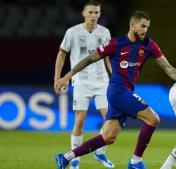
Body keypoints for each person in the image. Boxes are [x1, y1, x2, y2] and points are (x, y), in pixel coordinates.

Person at [54, 11, 176, 169]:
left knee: (108, 137)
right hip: (117, 91)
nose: (145, 30)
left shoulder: (149, 44)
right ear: (132, 25)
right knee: (153, 119)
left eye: (147, 27)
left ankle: (66, 157)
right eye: (142, 26)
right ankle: (135, 161)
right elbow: (88, 59)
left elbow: (169, 69)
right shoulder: (116, 43)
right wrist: (67, 76)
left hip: (125, 91)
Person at [53, 0, 114, 168]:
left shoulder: (105, 32)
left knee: (110, 120)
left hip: (102, 81)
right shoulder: (72, 32)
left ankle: (100, 153)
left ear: (100, 14)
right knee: (80, 120)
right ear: (84, 13)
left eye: (96, 12)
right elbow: (61, 54)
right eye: (91, 12)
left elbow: (108, 58)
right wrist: (57, 78)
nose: (93, 15)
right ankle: (74, 158)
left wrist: (114, 76)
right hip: (81, 81)